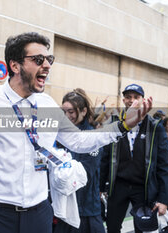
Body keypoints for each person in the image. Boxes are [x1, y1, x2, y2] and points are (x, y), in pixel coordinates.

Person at [0, 32, 152, 233]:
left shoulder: (47, 106)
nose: (47, 66)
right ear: (15, 65)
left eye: (49, 60)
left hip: (39, 214)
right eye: (38, 60)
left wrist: (123, 125)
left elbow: (78, 141)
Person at [100, 84, 168, 233]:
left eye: (136, 97)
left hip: (143, 187)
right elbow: (105, 158)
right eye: (128, 97)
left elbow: (165, 164)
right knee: (112, 227)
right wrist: (100, 188)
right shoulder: (115, 123)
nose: (131, 100)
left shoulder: (155, 126)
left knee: (143, 228)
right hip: (118, 185)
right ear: (124, 100)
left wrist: (164, 199)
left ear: (143, 100)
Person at [54, 89, 105, 233]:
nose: (66, 116)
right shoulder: (58, 135)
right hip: (62, 208)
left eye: (71, 112)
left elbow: (83, 173)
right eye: (63, 112)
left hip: (86, 208)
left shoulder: (93, 137)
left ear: (83, 111)